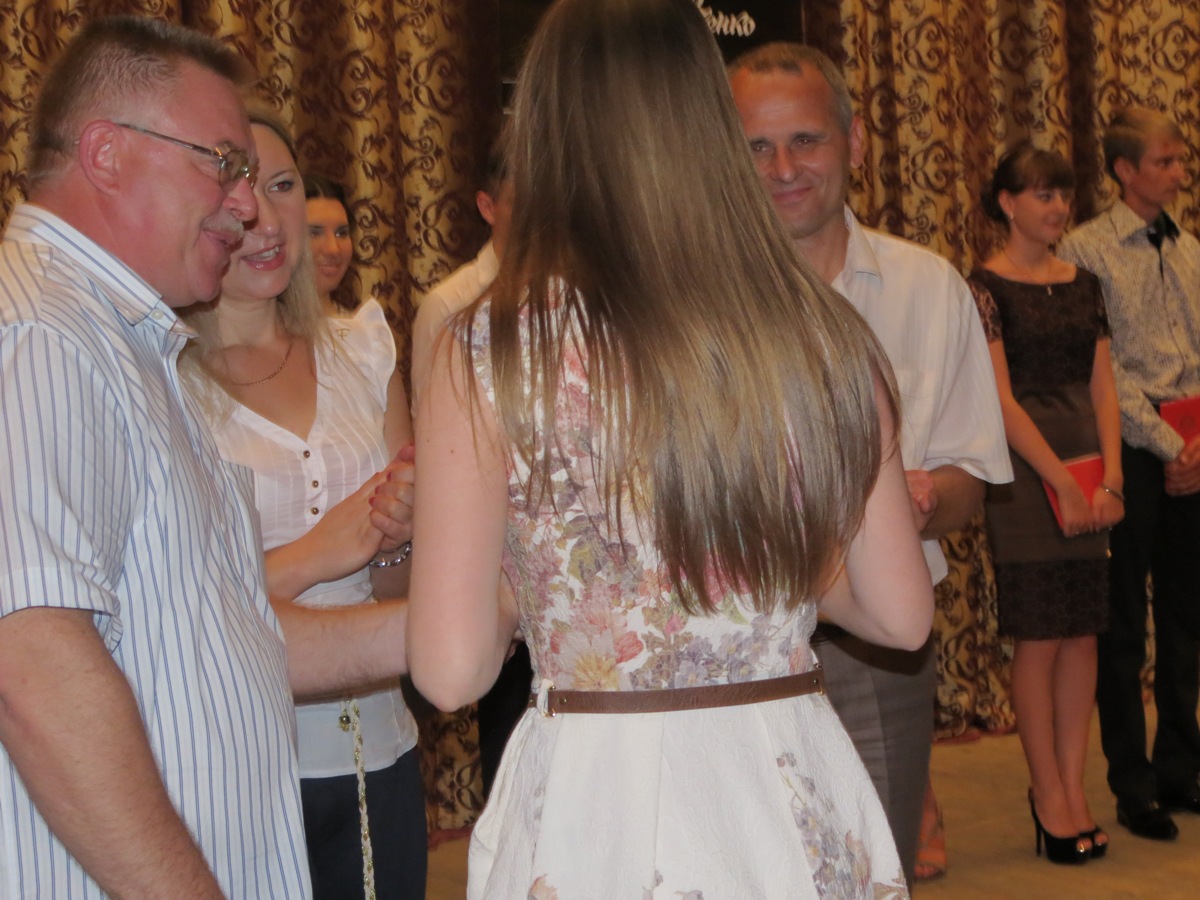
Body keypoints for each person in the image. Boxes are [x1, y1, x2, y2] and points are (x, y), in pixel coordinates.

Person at [406, 0, 935, 896]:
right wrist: (752, 587)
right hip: (780, 782)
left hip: (596, 794)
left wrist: (555, 578)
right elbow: (900, 616)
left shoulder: (490, 349)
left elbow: (451, 670)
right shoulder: (822, 334)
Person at [0, 17, 411, 897]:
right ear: (107, 154)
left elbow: (225, 637)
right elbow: (30, 664)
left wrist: (490, 614)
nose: (248, 205)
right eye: (222, 164)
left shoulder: (125, 343)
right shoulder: (41, 335)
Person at [727, 42, 1012, 883]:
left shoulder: (929, 288)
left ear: (854, 142)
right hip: (723, 640)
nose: (784, 169)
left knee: (875, 868)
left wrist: (919, 500)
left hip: (878, 644)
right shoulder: (688, 300)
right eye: (756, 146)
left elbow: (968, 480)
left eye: (805, 140)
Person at [180, 112, 426, 899]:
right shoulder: (158, 377)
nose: (263, 214)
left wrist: (397, 536)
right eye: (237, 185)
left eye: (282, 184)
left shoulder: (363, 350)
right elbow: (166, 612)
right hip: (229, 766)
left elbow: (402, 587)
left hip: (375, 753)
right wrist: (315, 555)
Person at [968, 142, 1123, 863]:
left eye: (1063, 194)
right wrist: (1059, 479)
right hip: (1027, 475)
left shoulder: (1085, 283)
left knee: (1083, 632)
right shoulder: (983, 288)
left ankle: (1074, 786)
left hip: (1089, 466)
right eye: (1042, 194)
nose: (1058, 207)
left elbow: (1103, 387)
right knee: (1039, 636)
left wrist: (1111, 476)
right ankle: (1047, 793)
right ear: (1007, 203)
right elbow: (998, 400)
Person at [1058, 107, 1200, 842]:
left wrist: (1195, 445)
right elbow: (1102, 367)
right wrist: (1168, 445)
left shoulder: (1190, 248)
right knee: (1123, 625)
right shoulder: (1086, 249)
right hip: (1129, 449)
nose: (1179, 172)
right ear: (1124, 170)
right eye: (1165, 161)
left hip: (1192, 444)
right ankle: (1132, 783)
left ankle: (1181, 765)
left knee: (1186, 616)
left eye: (1180, 160)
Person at [304, 173, 357, 315]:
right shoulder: (261, 326)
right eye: (314, 233)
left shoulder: (363, 326)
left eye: (341, 233)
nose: (333, 249)